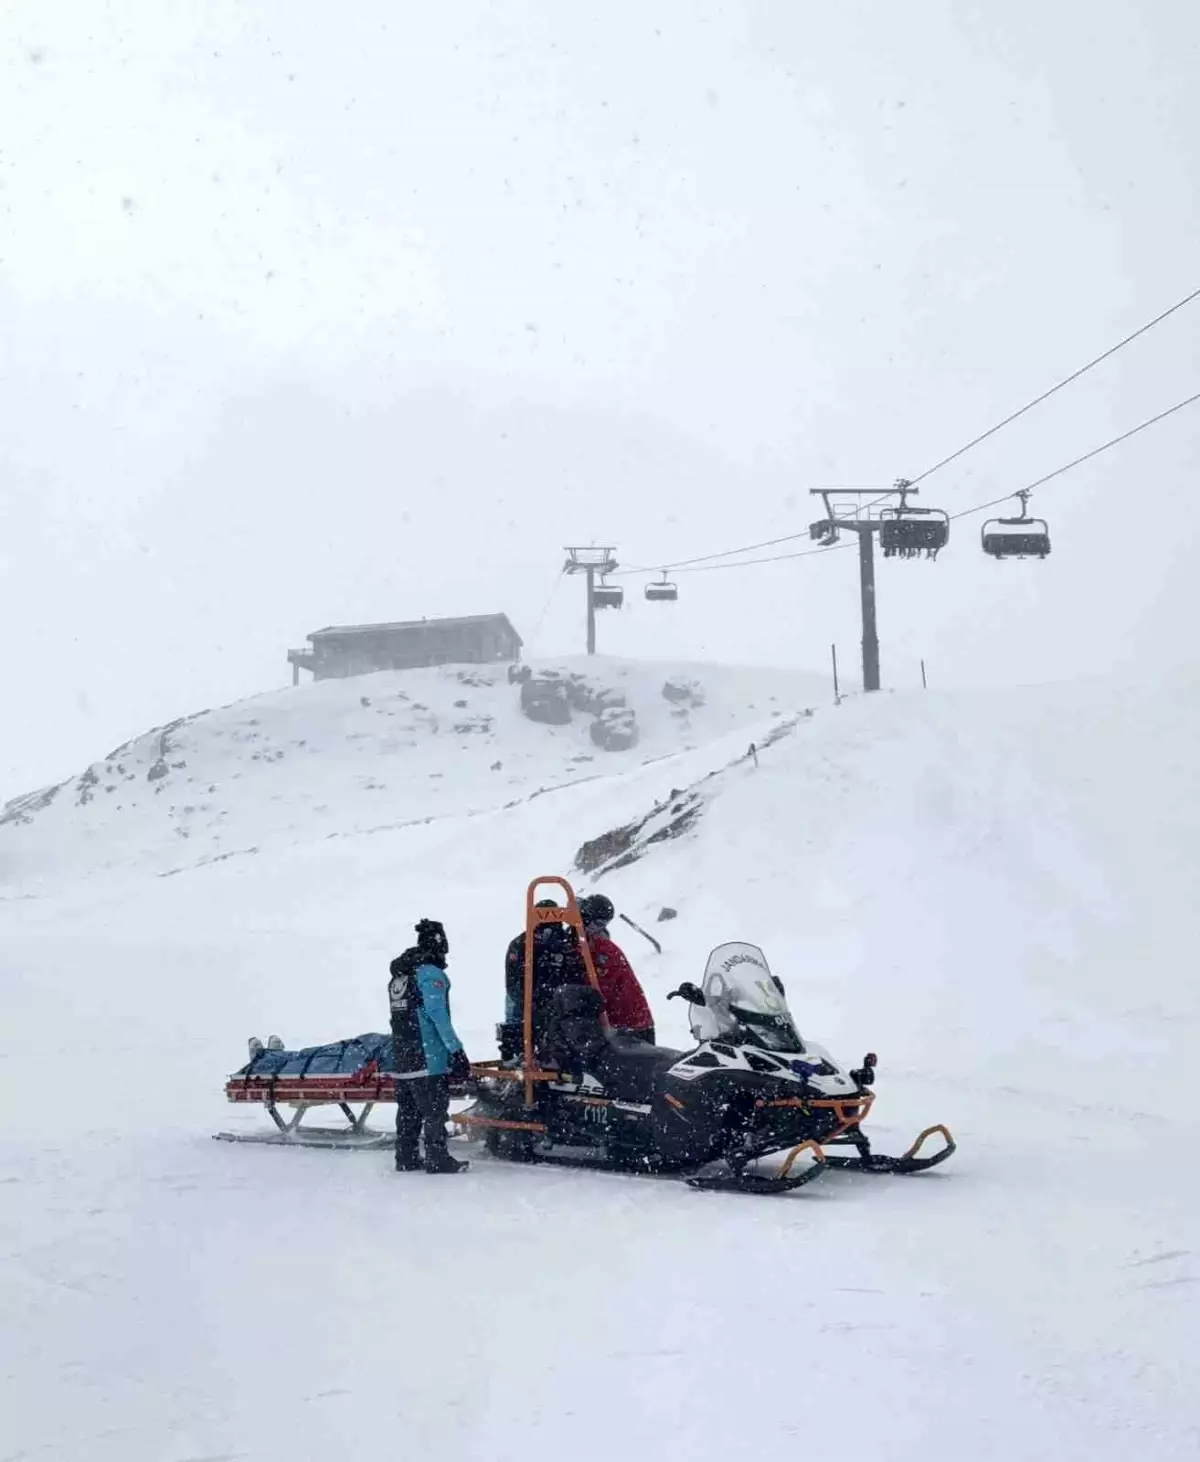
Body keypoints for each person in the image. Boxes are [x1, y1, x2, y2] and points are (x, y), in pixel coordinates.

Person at [389, 918, 472, 1174]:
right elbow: (437, 1015)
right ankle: (437, 1158)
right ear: (438, 944)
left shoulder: (400, 977)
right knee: (434, 1110)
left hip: (402, 1057)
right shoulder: (430, 974)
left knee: (408, 1111)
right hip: (428, 1057)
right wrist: (456, 1050)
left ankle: (406, 1156)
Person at [502, 899, 587, 1060]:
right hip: (525, 999)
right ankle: (516, 1058)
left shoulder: (564, 943)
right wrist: (532, 1003)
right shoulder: (520, 944)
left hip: (555, 999)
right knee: (517, 1028)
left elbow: (573, 972)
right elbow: (513, 982)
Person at [578, 894, 655, 1043]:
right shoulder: (584, 943)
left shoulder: (604, 951)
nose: (598, 929)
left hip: (631, 1026)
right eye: (598, 923)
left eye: (603, 924)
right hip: (617, 1026)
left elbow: (601, 990)